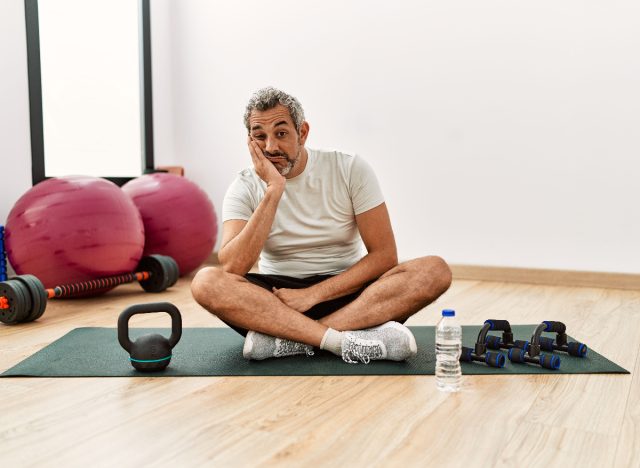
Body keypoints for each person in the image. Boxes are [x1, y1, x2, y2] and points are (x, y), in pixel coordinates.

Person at [191, 87, 452, 364]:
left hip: (351, 295)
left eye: (281, 134)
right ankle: (341, 340)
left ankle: (293, 341)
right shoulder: (243, 187)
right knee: (206, 282)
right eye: (260, 137)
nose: (270, 148)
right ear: (250, 141)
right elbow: (233, 268)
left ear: (302, 132)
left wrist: (313, 295)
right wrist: (274, 190)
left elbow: (384, 255)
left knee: (434, 270)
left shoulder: (349, 168)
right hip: (278, 303)